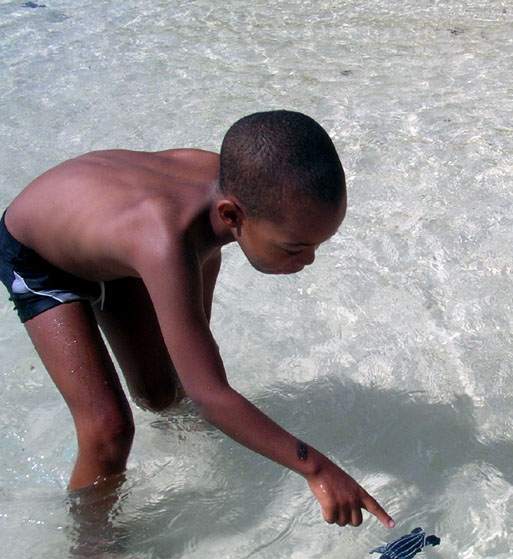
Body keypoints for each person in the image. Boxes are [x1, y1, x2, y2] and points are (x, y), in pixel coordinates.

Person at [0, 110, 395, 529]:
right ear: (231, 217)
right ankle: (93, 557)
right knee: (109, 431)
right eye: (295, 247)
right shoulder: (165, 240)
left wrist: (208, 394)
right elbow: (210, 394)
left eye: (319, 245)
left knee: (160, 394)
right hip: (41, 258)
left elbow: (197, 378)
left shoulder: (240, 184)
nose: (308, 260)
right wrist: (316, 469)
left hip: (114, 242)